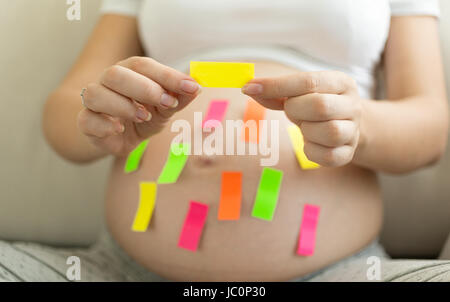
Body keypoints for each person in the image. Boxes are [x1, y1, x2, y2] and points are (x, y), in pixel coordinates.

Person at [1, 0, 449, 282]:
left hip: (345, 271)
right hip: (118, 271)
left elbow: (431, 128)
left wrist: (360, 123)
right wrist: (97, 115)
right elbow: (65, 110)